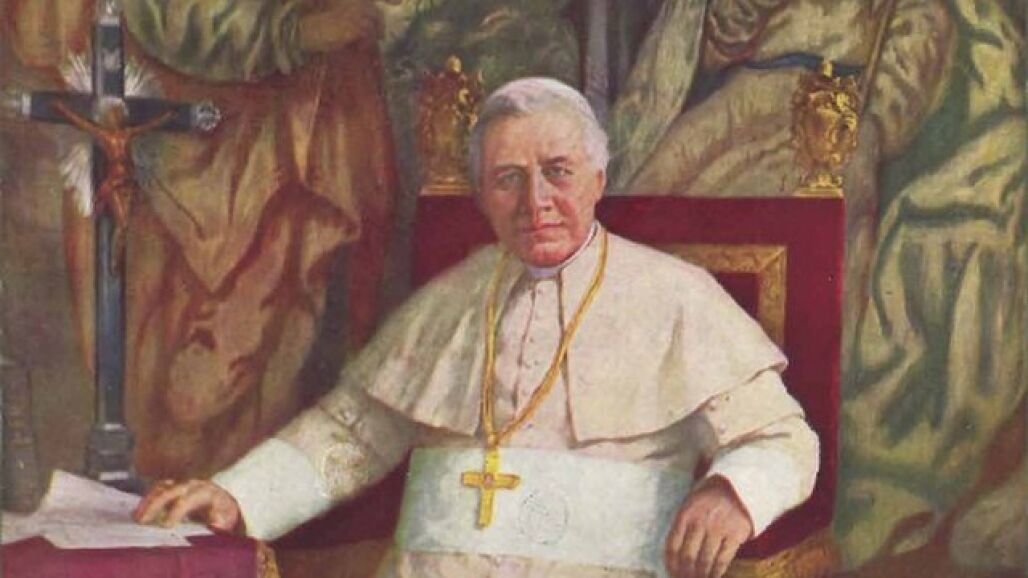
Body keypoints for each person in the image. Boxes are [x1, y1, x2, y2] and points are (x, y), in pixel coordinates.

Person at [135, 78, 819, 578]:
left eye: (557, 173)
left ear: (597, 178)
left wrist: (732, 493)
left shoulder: (677, 297)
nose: (535, 202)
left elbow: (783, 441)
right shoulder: (451, 298)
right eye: (507, 180)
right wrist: (238, 495)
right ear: (482, 197)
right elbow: (351, 433)